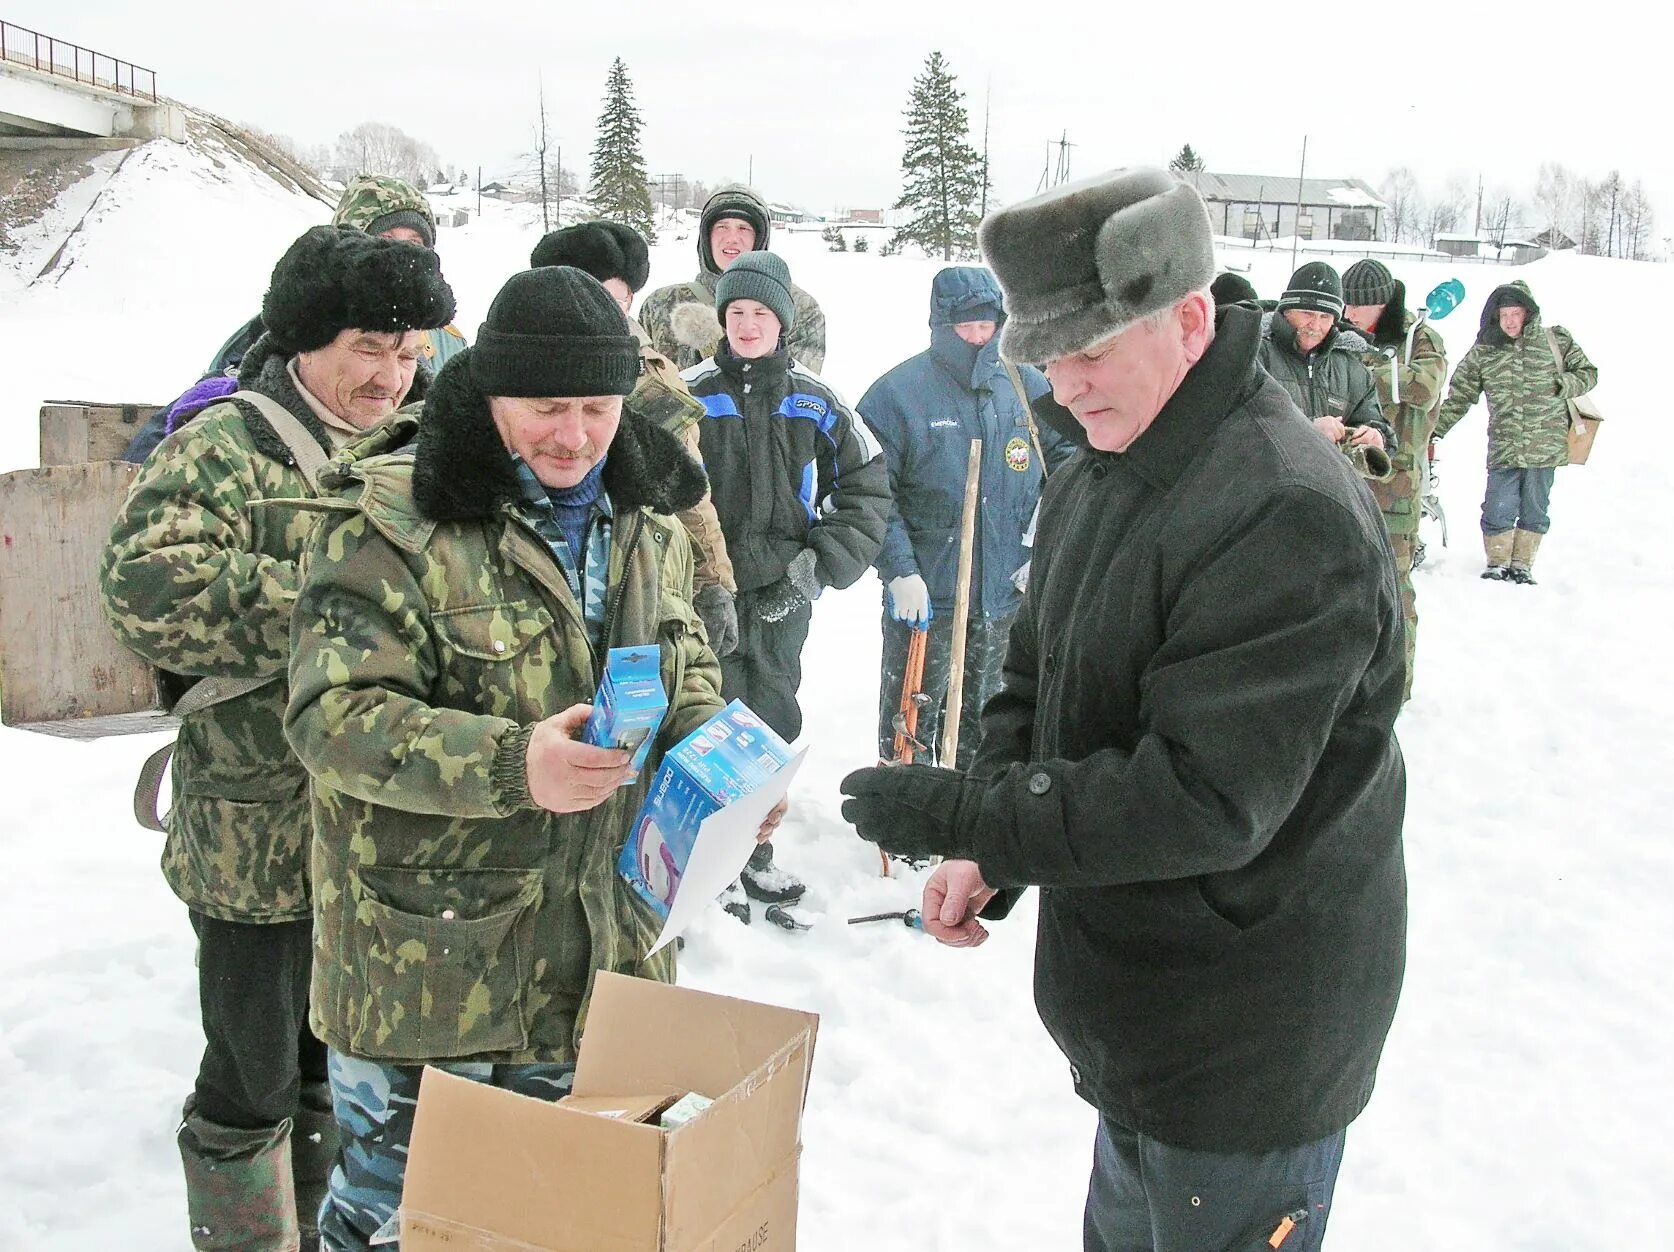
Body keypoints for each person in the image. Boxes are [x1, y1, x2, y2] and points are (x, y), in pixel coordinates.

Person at [839, 167, 1407, 1252]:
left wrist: (974, 816)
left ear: (1189, 319)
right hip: (1149, 1019)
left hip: (1246, 1036)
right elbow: (1035, 671)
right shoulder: (1108, 454)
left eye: (1089, 352)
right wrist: (998, 839)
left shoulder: (1281, 508)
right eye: (1045, 359)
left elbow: (1201, 796)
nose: (1064, 385)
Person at [282, 264, 783, 1251]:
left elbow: (678, 662)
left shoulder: (643, 516)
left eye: (596, 408)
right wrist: (514, 764)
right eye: (546, 408)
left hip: (598, 959)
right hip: (431, 979)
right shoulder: (394, 520)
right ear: (489, 396)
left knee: (565, 1218)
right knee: (406, 1226)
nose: (574, 436)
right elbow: (331, 716)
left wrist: (722, 765)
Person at [101, 225, 456, 1252]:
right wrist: (342, 605)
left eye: (407, 351)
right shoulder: (224, 446)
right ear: (306, 339)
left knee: (342, 1064)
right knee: (252, 1075)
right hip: (254, 839)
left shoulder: (417, 450)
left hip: (372, 839)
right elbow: (147, 591)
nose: (391, 375)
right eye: (367, 349)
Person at [683, 250, 890, 916]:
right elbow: (656, 493)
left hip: (781, 594)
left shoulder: (817, 400)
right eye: (736, 312)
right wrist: (693, 581)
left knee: (767, 720)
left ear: (782, 322)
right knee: (701, 720)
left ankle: (753, 853)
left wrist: (811, 573)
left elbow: (866, 487)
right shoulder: (688, 395)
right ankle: (695, 861)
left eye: (760, 313)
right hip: (704, 593)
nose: (747, 325)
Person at [859, 265, 1072, 778]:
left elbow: (1068, 463)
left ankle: (978, 813)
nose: (979, 338)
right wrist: (900, 571)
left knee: (994, 716)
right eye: (966, 327)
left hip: (1005, 595)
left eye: (988, 325)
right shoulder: (897, 395)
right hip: (928, 595)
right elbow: (869, 495)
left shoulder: (1028, 385)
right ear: (939, 325)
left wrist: (1043, 542)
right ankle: (904, 823)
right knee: (913, 711)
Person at [121, 174, 467, 464]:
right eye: (385, 240)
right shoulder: (294, 319)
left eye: (416, 244)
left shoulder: (450, 339)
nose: (401, 257)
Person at [530, 221, 741, 655]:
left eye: (620, 298)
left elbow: (686, 486)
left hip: (633, 581)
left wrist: (713, 582)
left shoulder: (650, 377)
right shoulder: (512, 368)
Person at [1432, 279, 1597, 584]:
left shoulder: (1555, 341)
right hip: (1505, 445)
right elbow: (1460, 395)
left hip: (1545, 445)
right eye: (1503, 314)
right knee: (1498, 503)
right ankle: (1497, 561)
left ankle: (1522, 564)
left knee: (1535, 507)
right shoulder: (1485, 350)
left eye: (1515, 314)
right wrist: (1434, 429)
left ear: (1528, 314)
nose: (1509, 321)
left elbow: (1588, 373)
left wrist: (1564, 385)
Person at [1342, 259, 1448, 701]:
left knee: (1395, 587)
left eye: (1358, 306)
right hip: (1347, 477)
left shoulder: (1418, 338)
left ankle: (1395, 689)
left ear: (1381, 305)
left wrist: (1365, 372)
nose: (1348, 312)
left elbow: (1425, 386)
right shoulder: (1343, 332)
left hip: (1397, 486)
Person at [640, 184, 827, 371]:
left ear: (759, 238)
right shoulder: (660, 304)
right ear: (706, 237)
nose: (732, 238)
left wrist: (717, 347)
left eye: (743, 228)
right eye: (722, 227)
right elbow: (637, 389)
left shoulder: (799, 308)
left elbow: (798, 393)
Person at [1258, 260, 1395, 473]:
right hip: (1263, 495)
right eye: (1307, 314)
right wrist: (1308, 432)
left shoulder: (1351, 369)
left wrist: (1376, 437)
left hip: (1327, 497)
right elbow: (1235, 432)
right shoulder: (1254, 355)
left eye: (1325, 317)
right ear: (1285, 311)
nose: (1315, 326)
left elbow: (1377, 425)